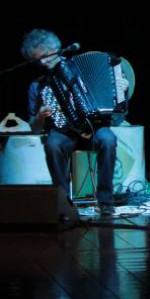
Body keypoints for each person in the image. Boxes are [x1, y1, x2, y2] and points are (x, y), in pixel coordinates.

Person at [21, 29, 127, 215]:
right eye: (38, 61)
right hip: (63, 132)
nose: (43, 63)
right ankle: (63, 204)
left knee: (108, 139)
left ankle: (105, 202)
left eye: (45, 57)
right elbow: (34, 128)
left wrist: (121, 90)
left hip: (94, 127)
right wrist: (40, 116)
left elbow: (116, 102)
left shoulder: (80, 68)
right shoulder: (38, 85)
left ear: (56, 49)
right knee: (53, 144)